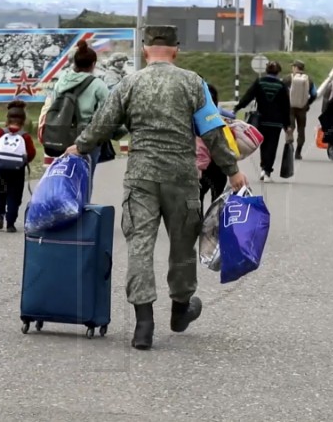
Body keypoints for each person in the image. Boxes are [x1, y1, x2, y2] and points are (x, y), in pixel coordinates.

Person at [64, 25, 247, 351]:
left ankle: (143, 325)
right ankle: (180, 310)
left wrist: (78, 148)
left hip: (141, 179)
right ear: (175, 50)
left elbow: (102, 125)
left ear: (145, 51)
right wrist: (233, 171)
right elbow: (212, 130)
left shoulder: (129, 83)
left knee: (140, 246)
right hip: (182, 179)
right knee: (181, 247)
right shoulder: (193, 83)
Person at [42, 39, 110, 195]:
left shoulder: (61, 81)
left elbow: (53, 104)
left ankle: (63, 209)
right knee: (85, 180)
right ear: (93, 64)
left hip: (62, 135)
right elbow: (107, 112)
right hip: (86, 137)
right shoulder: (98, 85)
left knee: (64, 177)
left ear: (74, 63)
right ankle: (82, 214)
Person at [234, 61, 293, 182]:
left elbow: (248, 96)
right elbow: (285, 107)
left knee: (263, 145)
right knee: (272, 146)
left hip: (261, 120)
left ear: (267, 70)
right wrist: (287, 125)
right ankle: (267, 171)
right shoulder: (281, 86)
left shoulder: (259, 82)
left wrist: (237, 108)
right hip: (275, 122)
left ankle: (263, 168)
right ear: (278, 72)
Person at [0, 101, 37, 232]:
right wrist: (23, 161)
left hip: (1, 168)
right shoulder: (25, 136)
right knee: (14, 195)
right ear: (23, 120)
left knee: (1, 191)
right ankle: (11, 223)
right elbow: (31, 153)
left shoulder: (0, 132)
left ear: (7, 118)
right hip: (17, 170)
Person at [196, 83, 228, 210]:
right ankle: (214, 226)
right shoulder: (220, 117)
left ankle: (199, 227)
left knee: (198, 199)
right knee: (217, 200)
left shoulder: (192, 117)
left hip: (199, 166)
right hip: (218, 165)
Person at [283, 60, 317, 160]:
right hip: (302, 109)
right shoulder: (309, 79)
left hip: (290, 108)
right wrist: (307, 103)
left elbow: (281, 92)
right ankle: (298, 152)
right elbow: (314, 94)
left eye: (293, 67)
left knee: (290, 128)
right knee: (301, 130)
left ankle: (289, 144)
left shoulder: (287, 78)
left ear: (296, 68)